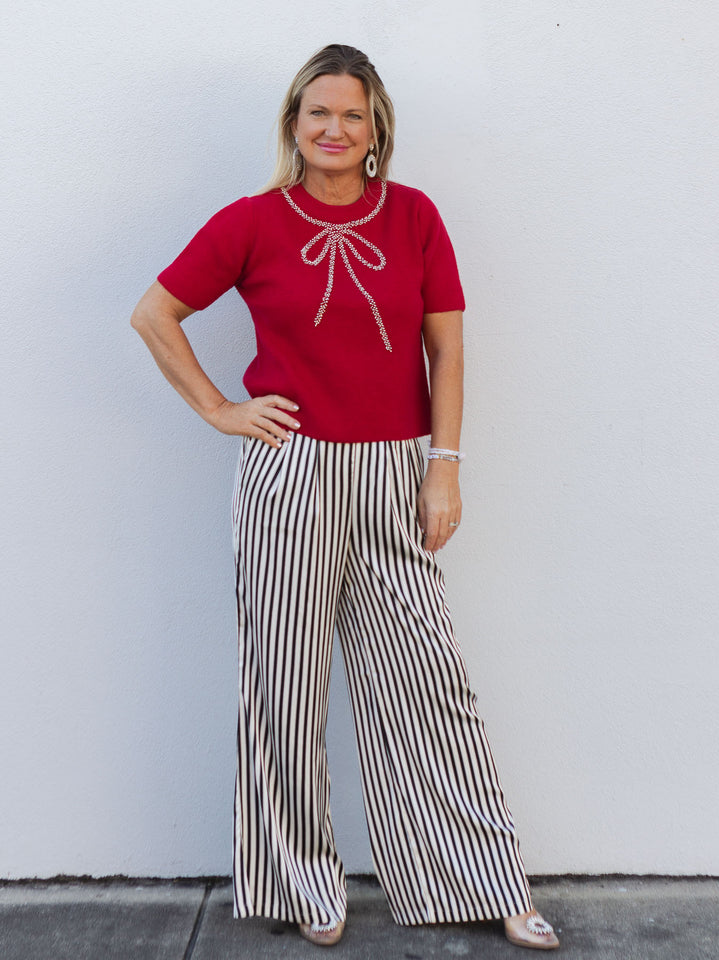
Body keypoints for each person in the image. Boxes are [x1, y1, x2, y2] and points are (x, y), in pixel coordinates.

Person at [131, 43, 559, 951]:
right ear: (294, 124)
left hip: (396, 468)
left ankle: (483, 879)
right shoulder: (250, 222)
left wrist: (445, 463)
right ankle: (303, 884)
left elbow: (446, 351)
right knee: (283, 682)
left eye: (351, 114)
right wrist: (219, 409)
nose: (333, 128)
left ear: (376, 130)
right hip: (292, 470)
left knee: (424, 679)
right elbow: (154, 314)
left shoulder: (413, 218)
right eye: (316, 112)